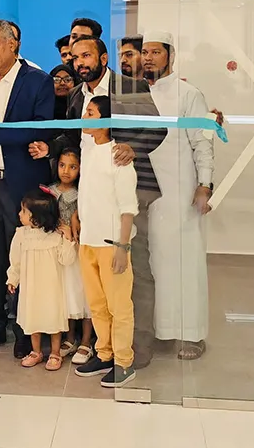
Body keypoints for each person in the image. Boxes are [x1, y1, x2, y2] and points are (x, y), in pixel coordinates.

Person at [29, 34, 167, 369]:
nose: (80, 63)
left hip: (127, 193)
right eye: (75, 57)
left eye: (86, 56)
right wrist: (52, 150)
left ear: (103, 59)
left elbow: (157, 129)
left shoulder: (130, 87)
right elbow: (75, 138)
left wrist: (131, 148)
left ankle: (136, 347)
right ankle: (105, 349)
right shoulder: (77, 94)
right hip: (92, 199)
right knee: (98, 279)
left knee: (134, 270)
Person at [0, 19, 55, 357]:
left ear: (12, 44)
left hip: (21, 184)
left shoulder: (38, 81)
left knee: (25, 259)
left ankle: (24, 330)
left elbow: (41, 128)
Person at [141, 31, 214, 360]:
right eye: (144, 52)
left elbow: (203, 141)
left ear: (170, 56)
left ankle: (192, 334)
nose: (148, 58)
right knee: (155, 264)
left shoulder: (189, 94)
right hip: (147, 191)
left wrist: (205, 184)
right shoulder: (137, 93)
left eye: (155, 52)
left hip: (182, 191)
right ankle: (163, 331)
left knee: (185, 262)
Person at [74, 96, 138, 387]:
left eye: (90, 113)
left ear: (106, 120)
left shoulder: (119, 157)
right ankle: (104, 353)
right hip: (88, 242)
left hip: (112, 244)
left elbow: (128, 208)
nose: (84, 117)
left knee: (119, 307)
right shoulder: (88, 151)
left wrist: (123, 247)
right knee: (97, 305)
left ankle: (124, 362)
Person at [6, 187, 76, 371]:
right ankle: (36, 352)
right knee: (33, 317)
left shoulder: (55, 237)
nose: (19, 214)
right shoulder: (21, 235)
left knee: (53, 319)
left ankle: (55, 352)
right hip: (31, 287)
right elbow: (15, 260)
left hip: (52, 288)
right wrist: (13, 278)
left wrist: (68, 238)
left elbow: (66, 259)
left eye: (23, 211)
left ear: (37, 218)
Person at [49, 148, 94, 366]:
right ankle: (70, 338)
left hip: (77, 250)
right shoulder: (49, 192)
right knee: (65, 295)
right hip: (57, 252)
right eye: (62, 165)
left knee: (82, 294)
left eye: (73, 167)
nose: (66, 171)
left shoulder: (82, 195)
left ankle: (86, 341)